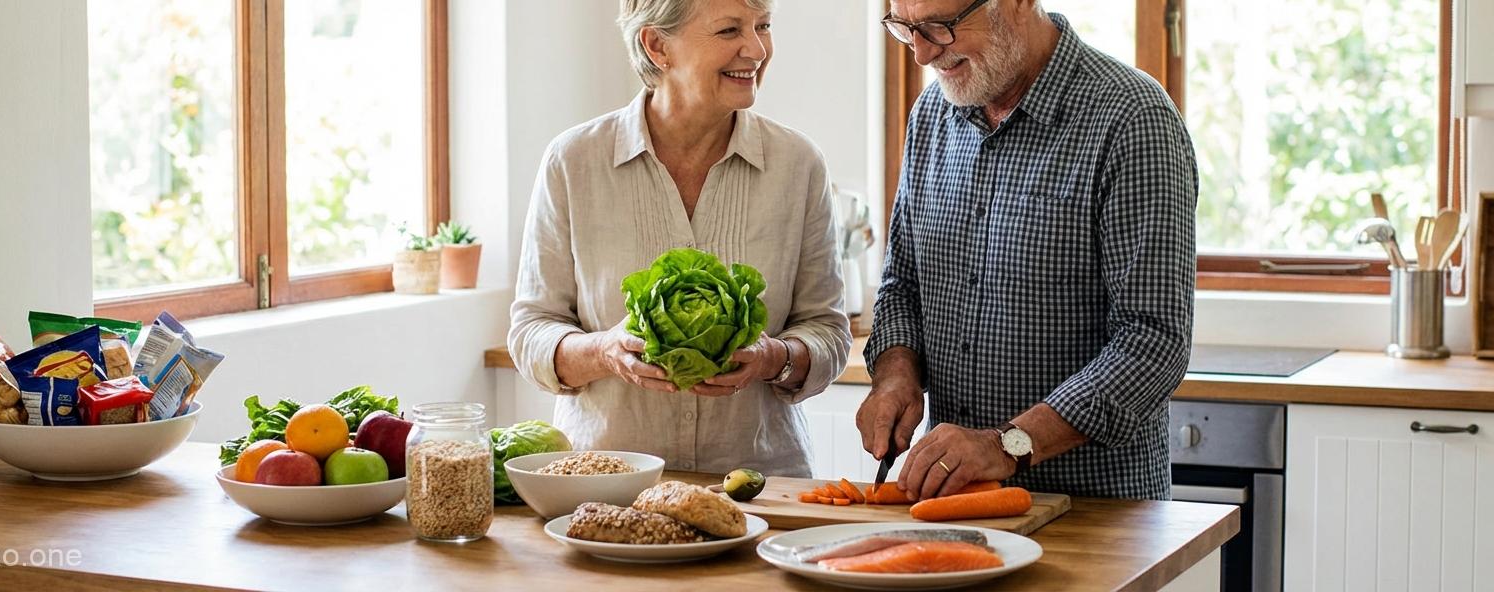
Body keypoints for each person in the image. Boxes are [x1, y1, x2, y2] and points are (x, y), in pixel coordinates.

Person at [858, 0, 1198, 501]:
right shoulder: (931, 116)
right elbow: (903, 284)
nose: (922, 55)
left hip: (1096, 511)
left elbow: (1152, 342)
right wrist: (895, 376)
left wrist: (1007, 445)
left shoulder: (1133, 119)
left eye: (942, 27)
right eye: (905, 30)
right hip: (957, 505)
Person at [509, 0, 851, 477]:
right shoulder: (573, 162)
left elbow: (828, 331)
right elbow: (531, 331)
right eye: (730, 30)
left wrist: (775, 358)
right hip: (608, 486)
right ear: (657, 45)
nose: (755, 49)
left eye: (763, 26)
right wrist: (606, 351)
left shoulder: (798, 164)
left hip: (763, 489)